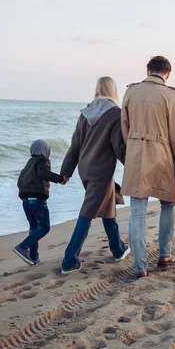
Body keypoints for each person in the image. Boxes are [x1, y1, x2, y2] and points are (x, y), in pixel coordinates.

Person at [121, 56, 175, 278]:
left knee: (137, 212)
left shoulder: (131, 91)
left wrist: (131, 150)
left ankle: (140, 266)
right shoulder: (172, 95)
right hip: (162, 155)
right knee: (169, 204)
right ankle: (165, 255)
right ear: (167, 74)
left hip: (136, 156)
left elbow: (124, 127)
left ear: (148, 70)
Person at [59, 77, 131, 274]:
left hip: (85, 168)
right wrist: (134, 165)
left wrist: (66, 172)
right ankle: (69, 260)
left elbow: (75, 146)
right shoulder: (114, 113)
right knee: (87, 213)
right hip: (101, 171)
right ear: (113, 90)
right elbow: (118, 146)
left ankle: (118, 250)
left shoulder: (86, 112)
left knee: (107, 207)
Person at [13, 139, 66, 265]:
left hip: (26, 201)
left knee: (34, 227)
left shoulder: (28, 164)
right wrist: (60, 178)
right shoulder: (42, 161)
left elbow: (19, 181)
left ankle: (33, 257)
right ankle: (22, 247)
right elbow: (44, 173)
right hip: (37, 200)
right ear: (46, 151)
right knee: (44, 227)